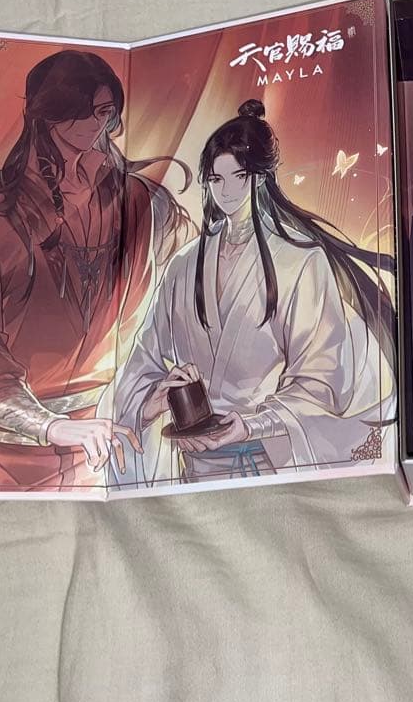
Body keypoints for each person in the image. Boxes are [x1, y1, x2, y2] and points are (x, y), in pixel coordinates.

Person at [0, 49, 193, 490]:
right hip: (16, 457)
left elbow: (190, 283)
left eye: (104, 112)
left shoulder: (143, 203)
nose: (95, 124)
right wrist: (50, 425)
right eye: (80, 111)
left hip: (127, 434)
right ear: (46, 114)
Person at [113, 99, 395, 485]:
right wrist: (152, 401)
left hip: (265, 457)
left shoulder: (300, 261)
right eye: (216, 179)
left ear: (260, 178)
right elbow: (142, 359)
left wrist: (251, 424)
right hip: (192, 464)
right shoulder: (183, 265)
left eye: (239, 176)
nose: (226, 190)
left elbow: (321, 378)